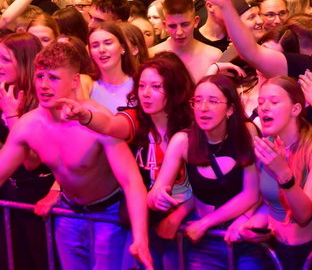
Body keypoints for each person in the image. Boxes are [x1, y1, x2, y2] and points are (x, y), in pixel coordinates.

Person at [0, 41, 153, 269]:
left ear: (74, 81)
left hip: (108, 213)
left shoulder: (96, 118)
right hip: (68, 212)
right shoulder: (29, 125)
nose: (44, 85)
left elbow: (131, 180)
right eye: (40, 76)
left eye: (53, 78)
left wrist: (140, 238)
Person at [57, 52, 195, 269]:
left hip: (187, 222)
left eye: (156, 87)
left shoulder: (193, 126)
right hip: (145, 218)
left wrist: (178, 216)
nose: (146, 94)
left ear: (174, 89)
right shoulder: (137, 119)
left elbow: (206, 184)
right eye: (141, 86)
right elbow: (109, 125)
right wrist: (85, 116)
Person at [147, 73, 261, 270]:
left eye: (213, 101)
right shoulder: (183, 141)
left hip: (241, 233)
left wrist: (206, 223)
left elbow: (251, 194)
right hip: (205, 240)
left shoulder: (246, 132)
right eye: (198, 101)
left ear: (230, 109)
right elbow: (153, 195)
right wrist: (157, 199)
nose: (203, 108)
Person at [228, 77, 312, 270]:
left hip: (310, 256)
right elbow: (266, 202)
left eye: (274, 102)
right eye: (261, 102)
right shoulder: (266, 145)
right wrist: (251, 223)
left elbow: (303, 215)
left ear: (295, 109)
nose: (264, 108)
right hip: (273, 250)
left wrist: (283, 172)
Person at [0, 33, 54, 270]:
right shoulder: (3, 93)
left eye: (5, 59)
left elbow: (32, 161)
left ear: (25, 62)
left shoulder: (44, 101)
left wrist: (12, 115)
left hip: (33, 200)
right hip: (7, 195)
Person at [83, 22, 138, 113]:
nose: (101, 50)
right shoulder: (86, 83)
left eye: (108, 43)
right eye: (95, 46)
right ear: (90, 53)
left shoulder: (138, 85)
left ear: (122, 48)